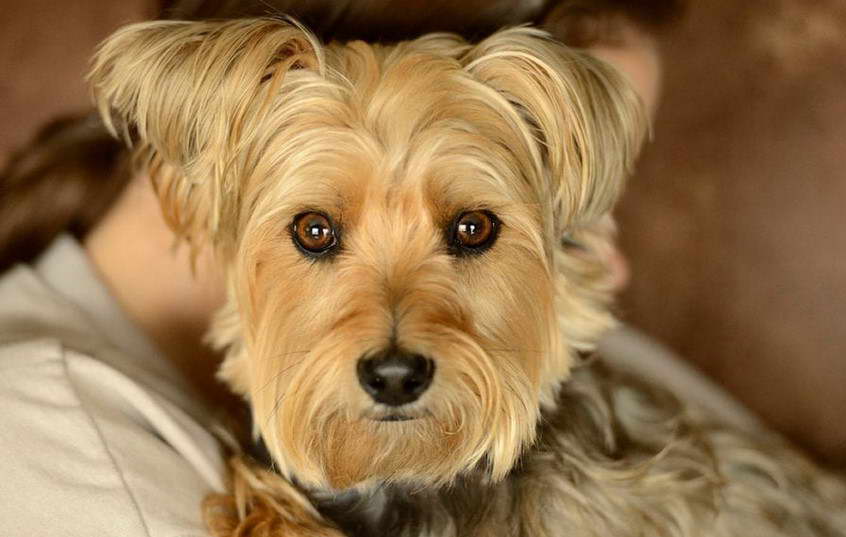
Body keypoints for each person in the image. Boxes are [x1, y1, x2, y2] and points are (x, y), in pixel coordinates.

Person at [1, 2, 744, 534]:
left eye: (472, 230)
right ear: (217, 149)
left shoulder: (563, 381)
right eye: (320, 232)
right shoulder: (59, 448)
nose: (609, 268)